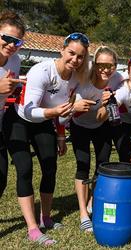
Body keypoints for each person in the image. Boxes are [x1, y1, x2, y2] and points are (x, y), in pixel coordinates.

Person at [3, 32, 90, 245]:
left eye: (80, 56)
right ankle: (33, 228)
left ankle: (46, 217)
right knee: (25, 170)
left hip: (43, 122)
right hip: (19, 120)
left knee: (50, 167)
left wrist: (61, 133)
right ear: (62, 49)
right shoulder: (41, 70)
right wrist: (62, 112)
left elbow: (62, 116)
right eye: (71, 53)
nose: (75, 60)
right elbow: (30, 110)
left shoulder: (77, 78)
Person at [70, 46, 123, 232]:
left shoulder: (117, 78)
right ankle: (83, 214)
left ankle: (92, 201)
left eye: (110, 65)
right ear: (94, 63)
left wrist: (106, 103)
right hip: (79, 125)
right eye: (101, 65)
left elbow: (102, 116)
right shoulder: (83, 77)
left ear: (115, 65)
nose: (105, 69)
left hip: (101, 124)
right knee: (83, 165)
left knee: (102, 164)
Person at [0, 10, 26, 198]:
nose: (11, 45)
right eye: (7, 38)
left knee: (1, 178)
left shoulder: (15, 61)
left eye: (16, 42)